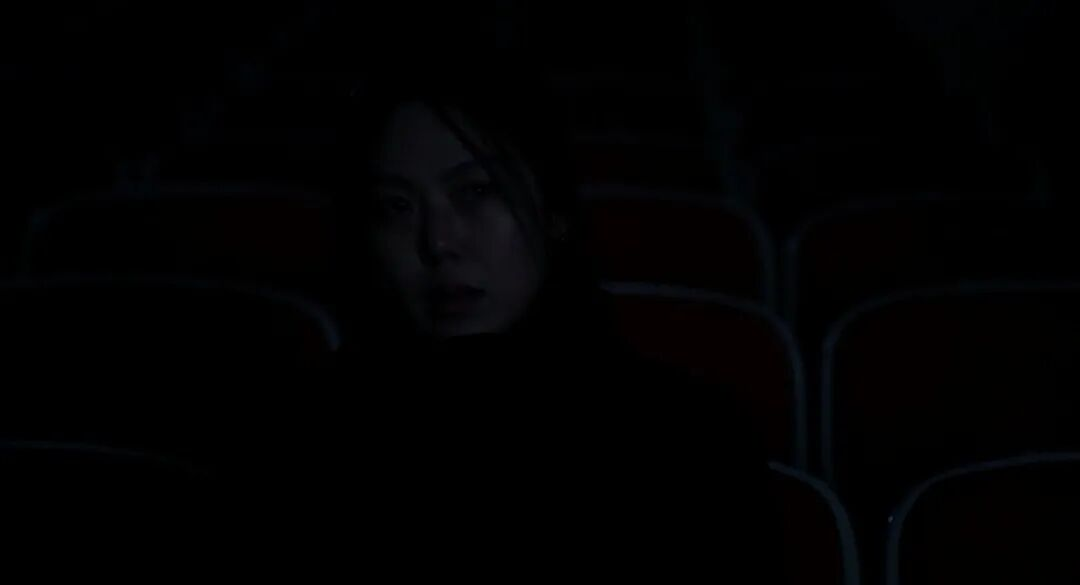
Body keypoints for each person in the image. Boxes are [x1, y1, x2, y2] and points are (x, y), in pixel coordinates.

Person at [315, 53, 787, 582]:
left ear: (553, 211)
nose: (438, 241)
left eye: (475, 191)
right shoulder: (316, 433)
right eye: (396, 207)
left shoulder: (688, 440)